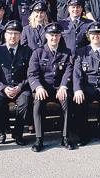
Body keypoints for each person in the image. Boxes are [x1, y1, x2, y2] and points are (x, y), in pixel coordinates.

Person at [27, 23, 76, 152]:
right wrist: (38, 87)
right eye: (52, 35)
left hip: (60, 88)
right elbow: (32, 74)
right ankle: (39, 139)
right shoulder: (38, 53)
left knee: (66, 102)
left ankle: (65, 137)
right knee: (37, 103)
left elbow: (68, 71)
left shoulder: (66, 53)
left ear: (60, 37)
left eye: (57, 35)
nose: (54, 38)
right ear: (46, 36)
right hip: (44, 88)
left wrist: (64, 86)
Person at [0, 20, 33, 146]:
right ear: (5, 35)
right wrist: (3, 88)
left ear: (20, 36)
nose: (12, 36)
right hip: (3, 87)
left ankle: (18, 133)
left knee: (25, 101)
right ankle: (1, 132)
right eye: (10, 33)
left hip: (21, 87)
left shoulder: (27, 51)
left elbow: (30, 74)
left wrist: (20, 87)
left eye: (16, 33)